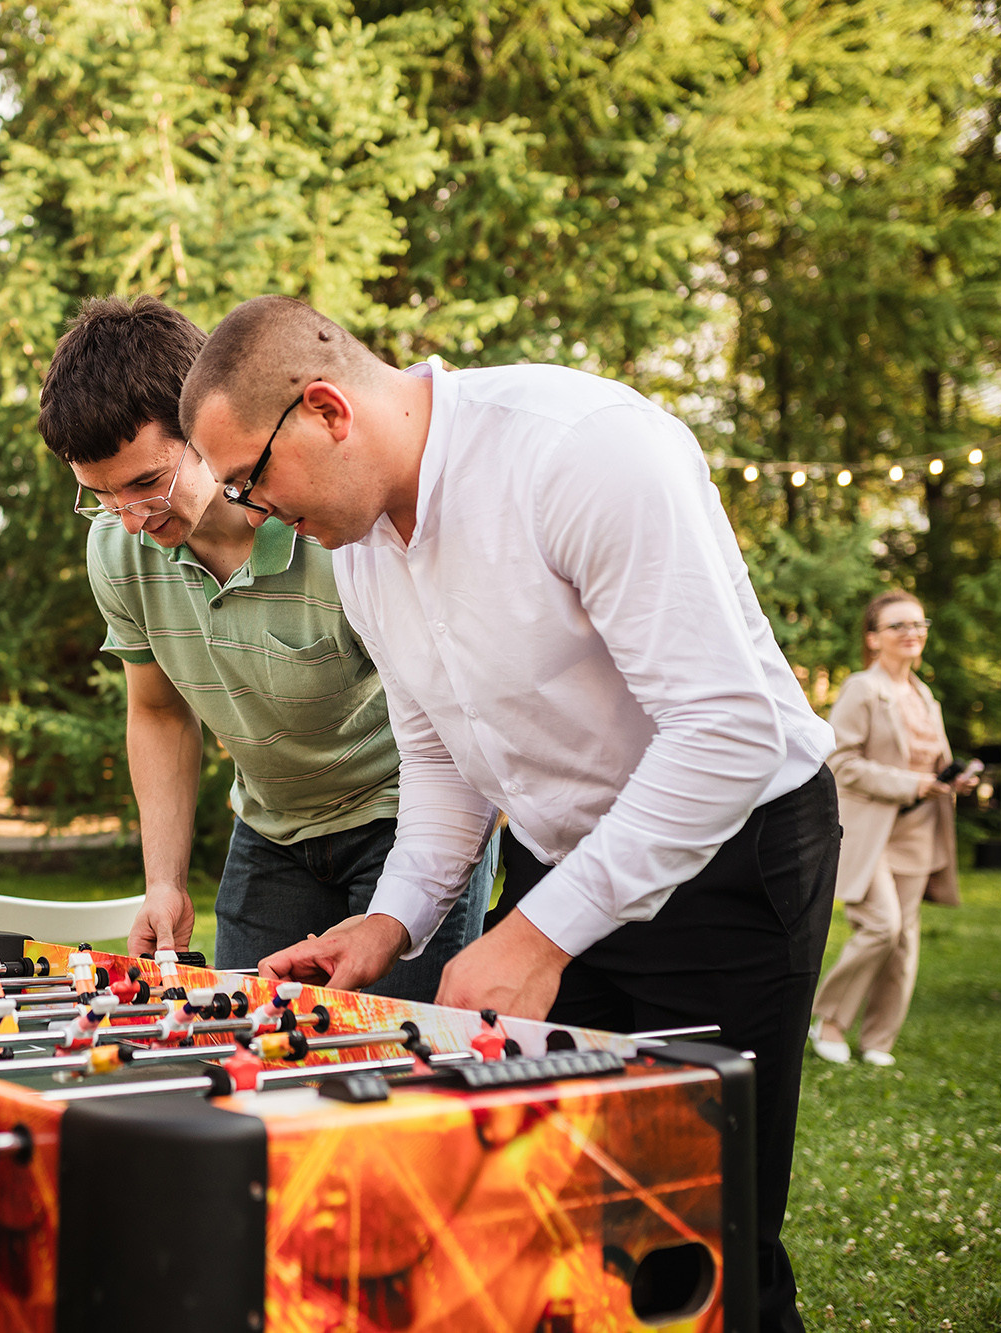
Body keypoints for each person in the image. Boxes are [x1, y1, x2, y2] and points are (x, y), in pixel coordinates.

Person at [181, 295, 839, 1332]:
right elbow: (443, 758)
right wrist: (387, 920)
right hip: (559, 858)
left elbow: (725, 731)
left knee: (694, 1233)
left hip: (731, 851)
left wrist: (534, 935)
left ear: (324, 410)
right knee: (559, 1217)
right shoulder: (353, 549)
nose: (248, 510)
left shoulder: (580, 451)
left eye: (247, 479)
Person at [35, 295, 492, 997]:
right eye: (99, 495)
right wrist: (164, 881)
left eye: (145, 484)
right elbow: (157, 711)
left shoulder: (335, 529)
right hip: (273, 830)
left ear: (205, 429)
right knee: (245, 1045)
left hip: (405, 817)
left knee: (398, 1054)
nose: (128, 520)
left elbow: (450, 712)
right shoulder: (118, 551)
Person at [810, 591, 975, 1066]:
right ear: (873, 638)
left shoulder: (926, 697)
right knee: (882, 926)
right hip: (871, 830)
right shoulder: (862, 688)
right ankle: (830, 1019)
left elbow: (933, 763)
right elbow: (839, 762)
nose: (912, 633)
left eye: (918, 624)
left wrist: (954, 778)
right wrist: (912, 783)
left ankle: (879, 1040)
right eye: (898, 625)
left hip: (921, 832)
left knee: (904, 942)